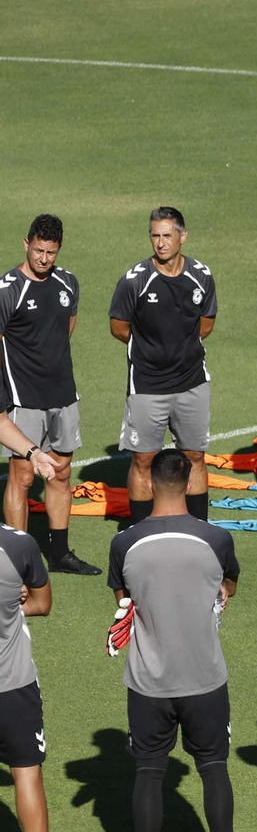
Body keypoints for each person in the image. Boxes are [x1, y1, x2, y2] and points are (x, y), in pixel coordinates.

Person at [107, 448, 244, 832]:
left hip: (148, 682)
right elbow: (228, 587)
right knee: (213, 769)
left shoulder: (124, 543)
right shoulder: (217, 538)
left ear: (147, 485)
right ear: (189, 483)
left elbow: (125, 598)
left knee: (148, 773)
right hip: (205, 678)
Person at [109, 207, 217, 524]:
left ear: (182, 236)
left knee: (195, 457)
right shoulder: (135, 281)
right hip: (147, 386)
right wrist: (152, 348)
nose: (160, 243)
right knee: (143, 461)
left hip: (192, 382)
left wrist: (178, 346)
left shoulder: (201, 275)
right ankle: (142, 532)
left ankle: (199, 531)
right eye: (155, 235)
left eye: (167, 235)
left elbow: (206, 323)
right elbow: (118, 327)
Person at [1, 215, 96, 574]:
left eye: (50, 252)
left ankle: (59, 553)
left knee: (61, 473)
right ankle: (17, 560)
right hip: (23, 398)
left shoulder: (67, 283)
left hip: (64, 395)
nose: (43, 258)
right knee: (23, 477)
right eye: (38, 250)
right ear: (26, 244)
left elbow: (65, 328)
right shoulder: (8, 290)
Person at [0, 512, 79, 832]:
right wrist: (16, 606)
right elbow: (42, 604)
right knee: (26, 774)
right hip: (12, 686)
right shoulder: (18, 545)